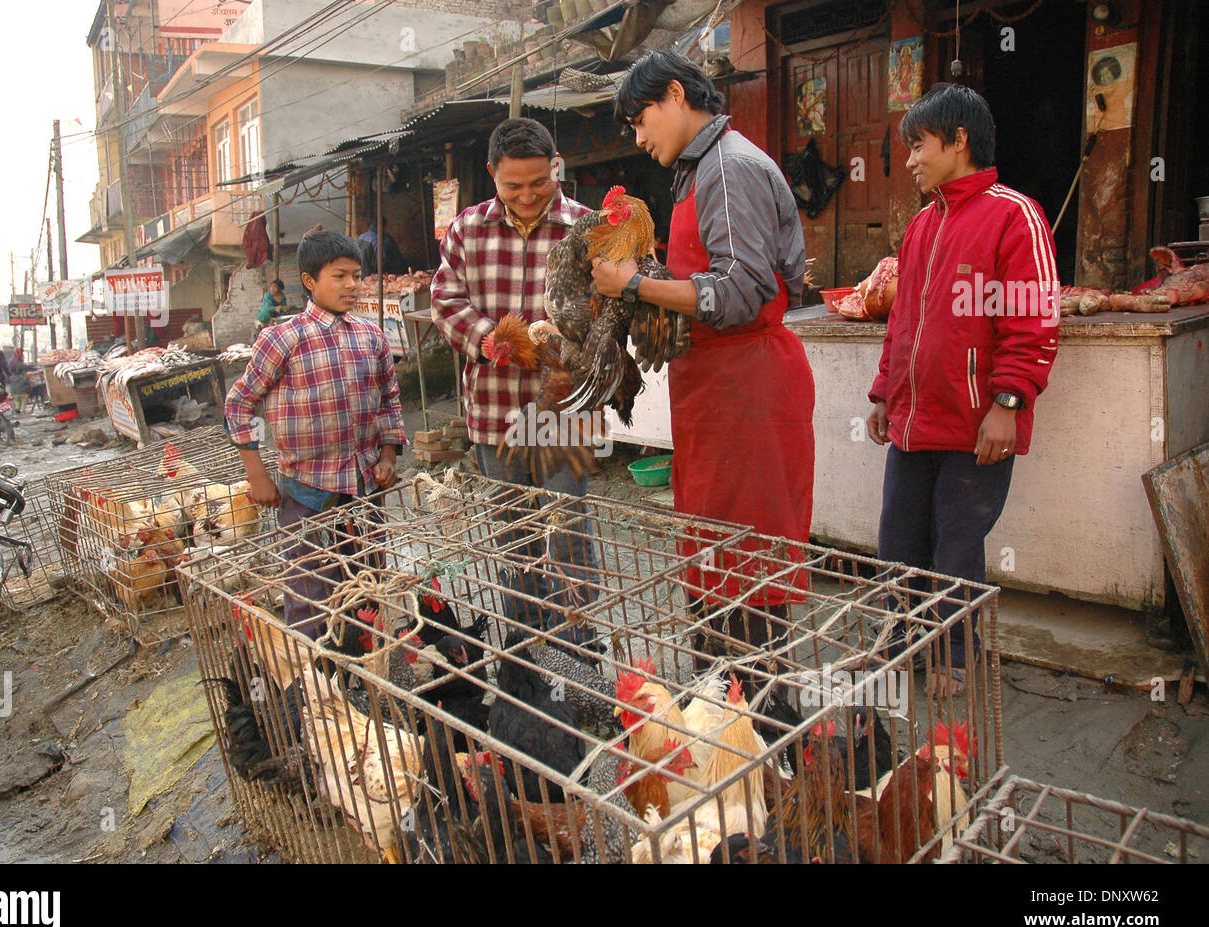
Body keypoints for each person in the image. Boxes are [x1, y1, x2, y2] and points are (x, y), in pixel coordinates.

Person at [595, 50, 815, 666]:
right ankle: (729, 712)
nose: (638, 138)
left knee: (744, 576)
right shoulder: (697, 169)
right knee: (717, 567)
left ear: (674, 94)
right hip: (717, 391)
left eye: (640, 120)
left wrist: (633, 286)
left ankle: (755, 722)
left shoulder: (728, 166)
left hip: (748, 391)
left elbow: (740, 289)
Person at [865, 83, 1059, 694]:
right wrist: (881, 393)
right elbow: (902, 324)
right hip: (914, 421)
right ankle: (901, 642)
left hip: (977, 425)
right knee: (898, 539)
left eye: (919, 145)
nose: (912, 160)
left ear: (959, 140)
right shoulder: (922, 225)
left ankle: (953, 651)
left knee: (956, 544)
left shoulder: (1015, 215)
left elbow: (1033, 318)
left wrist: (1009, 402)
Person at [432, 117, 601, 642]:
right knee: (515, 533)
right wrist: (488, 339)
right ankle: (528, 650)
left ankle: (574, 650)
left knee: (567, 528)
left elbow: (612, 305)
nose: (528, 196)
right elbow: (445, 300)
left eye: (539, 182)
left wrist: (578, 350)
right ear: (492, 175)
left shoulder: (588, 227)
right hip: (495, 409)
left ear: (556, 168)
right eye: (513, 185)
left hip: (565, 413)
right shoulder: (467, 229)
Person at [226, 230, 407, 639]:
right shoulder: (281, 338)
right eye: (339, 276)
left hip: (363, 488)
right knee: (309, 588)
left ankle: (367, 670)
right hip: (307, 488)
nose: (351, 286)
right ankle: (314, 681)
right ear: (309, 281)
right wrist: (256, 474)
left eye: (357, 276)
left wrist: (389, 458)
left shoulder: (371, 336)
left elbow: (389, 402)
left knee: (367, 582)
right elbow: (238, 404)